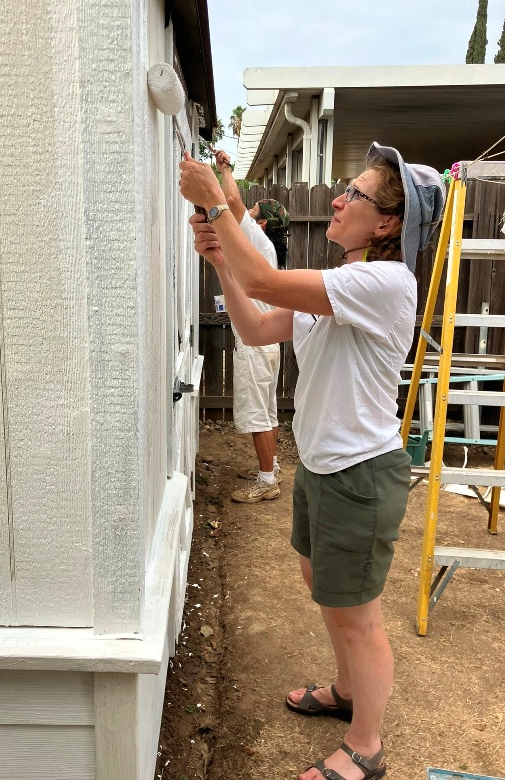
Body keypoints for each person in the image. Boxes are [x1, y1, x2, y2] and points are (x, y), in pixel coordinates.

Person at [179, 142, 445, 780]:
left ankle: (367, 746)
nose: (338, 198)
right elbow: (255, 326)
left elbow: (266, 281)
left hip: (360, 475)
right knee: (322, 587)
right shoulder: (340, 289)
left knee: (358, 617)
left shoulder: (383, 282)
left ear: (386, 224)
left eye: (355, 193)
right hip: (323, 468)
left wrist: (220, 206)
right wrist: (220, 257)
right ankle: (349, 692)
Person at [212, 148, 289, 504]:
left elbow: (230, 199)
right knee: (268, 411)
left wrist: (224, 168)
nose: (248, 212)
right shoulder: (267, 249)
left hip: (257, 345)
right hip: (268, 345)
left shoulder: (258, 242)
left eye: (254, 213)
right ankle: (269, 468)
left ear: (261, 225)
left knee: (258, 416)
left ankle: (266, 481)